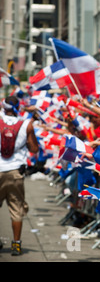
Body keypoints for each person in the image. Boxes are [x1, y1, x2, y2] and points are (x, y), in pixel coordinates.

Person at [0, 96, 39, 255]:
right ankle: (16, 244)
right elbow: (34, 149)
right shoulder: (26, 124)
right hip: (15, 171)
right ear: (18, 107)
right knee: (16, 209)